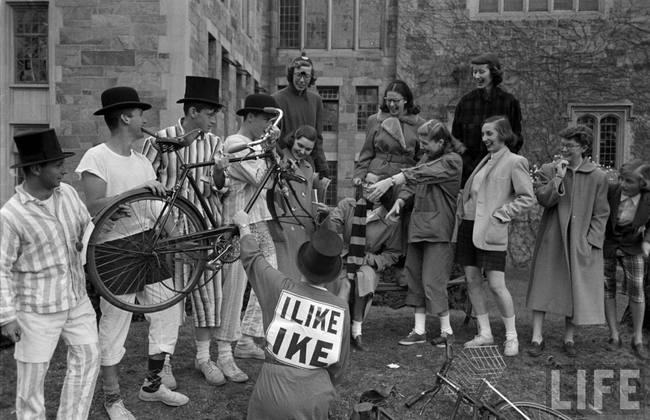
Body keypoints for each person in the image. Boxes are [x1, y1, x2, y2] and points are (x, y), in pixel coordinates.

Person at [77, 86, 188, 420]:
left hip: (148, 245)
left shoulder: (141, 161)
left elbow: (155, 208)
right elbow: (95, 207)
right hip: (114, 249)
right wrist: (136, 191)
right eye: (140, 114)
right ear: (125, 117)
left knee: (168, 313)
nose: (144, 119)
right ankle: (112, 398)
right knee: (115, 323)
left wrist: (180, 240)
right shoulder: (96, 158)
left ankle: (152, 386)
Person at [1, 129, 100, 419]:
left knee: (88, 359)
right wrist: (6, 316)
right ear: (35, 168)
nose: (64, 170)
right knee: (31, 383)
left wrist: (96, 229)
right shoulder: (11, 215)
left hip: (76, 299)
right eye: (57, 165)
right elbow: (1, 268)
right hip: (36, 310)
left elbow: (85, 227)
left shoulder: (67, 194)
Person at [142, 75, 230, 385]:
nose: (214, 119)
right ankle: (163, 362)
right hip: (171, 230)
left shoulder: (215, 143)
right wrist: (163, 226)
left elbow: (220, 189)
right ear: (193, 111)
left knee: (210, 296)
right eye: (210, 113)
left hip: (205, 228)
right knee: (170, 300)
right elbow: (146, 183)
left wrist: (219, 174)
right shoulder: (162, 138)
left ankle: (203, 358)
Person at [232, 209, 350, 420]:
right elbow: (339, 368)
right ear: (333, 273)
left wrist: (243, 226)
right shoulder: (341, 309)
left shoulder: (279, 288)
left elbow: (252, 258)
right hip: (316, 397)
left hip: (270, 395)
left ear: (302, 264)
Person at [369, 120, 464, 347]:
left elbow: (422, 174)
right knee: (414, 278)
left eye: (426, 143)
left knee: (434, 280)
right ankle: (419, 331)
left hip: (439, 231)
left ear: (441, 141)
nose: (422, 148)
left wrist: (392, 180)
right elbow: (413, 182)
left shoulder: (452, 161)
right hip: (418, 228)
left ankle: (447, 332)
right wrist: (399, 202)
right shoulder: (426, 159)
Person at [214, 93, 282, 383]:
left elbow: (270, 174)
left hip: (257, 219)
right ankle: (224, 352)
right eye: (265, 120)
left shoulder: (255, 145)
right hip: (237, 222)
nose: (268, 126)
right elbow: (261, 177)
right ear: (250, 117)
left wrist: (269, 148)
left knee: (267, 278)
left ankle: (246, 338)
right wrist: (268, 147)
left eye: (271, 121)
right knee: (235, 287)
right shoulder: (235, 144)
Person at [526, 125, 609, 358]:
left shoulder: (598, 177)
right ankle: (536, 337)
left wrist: (591, 242)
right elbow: (544, 200)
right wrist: (558, 178)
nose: (564, 149)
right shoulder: (548, 170)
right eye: (562, 144)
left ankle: (569, 338)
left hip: (580, 241)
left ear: (583, 147)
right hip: (552, 237)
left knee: (576, 289)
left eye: (569, 146)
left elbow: (601, 213)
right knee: (543, 284)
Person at [456, 116, 535, 357]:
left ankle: (512, 336)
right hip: (469, 226)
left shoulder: (515, 161)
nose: (485, 139)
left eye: (489, 134)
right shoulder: (485, 161)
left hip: (491, 229)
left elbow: (527, 197)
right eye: (483, 134)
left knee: (497, 284)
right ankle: (485, 333)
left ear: (503, 133)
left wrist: (503, 214)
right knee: (471, 280)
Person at [324, 182, 403, 351]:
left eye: (373, 185)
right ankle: (337, 330)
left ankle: (355, 331)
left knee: (362, 277)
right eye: (366, 182)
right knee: (344, 281)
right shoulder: (348, 204)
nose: (367, 187)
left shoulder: (391, 219)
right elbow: (333, 222)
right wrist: (341, 244)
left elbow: (393, 253)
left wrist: (372, 259)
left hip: (367, 263)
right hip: (343, 256)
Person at [451, 54, 523, 187]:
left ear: (493, 73)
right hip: (469, 173)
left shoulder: (509, 102)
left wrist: (502, 162)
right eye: (474, 72)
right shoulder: (465, 102)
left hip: (500, 172)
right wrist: (467, 164)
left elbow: (516, 139)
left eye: (481, 72)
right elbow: (456, 139)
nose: (477, 76)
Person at [603, 160, 650, 360]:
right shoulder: (611, 191)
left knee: (637, 290)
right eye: (621, 179)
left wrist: (647, 241)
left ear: (643, 182)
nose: (623, 183)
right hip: (610, 244)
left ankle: (637, 338)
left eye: (629, 181)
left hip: (634, 246)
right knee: (607, 288)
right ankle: (614, 335)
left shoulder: (648, 199)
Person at [271, 125, 327, 281]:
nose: (302, 151)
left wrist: (319, 214)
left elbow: (307, 201)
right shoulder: (278, 160)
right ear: (292, 140)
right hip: (285, 227)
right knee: (285, 279)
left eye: (308, 149)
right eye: (300, 145)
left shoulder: (308, 168)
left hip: (304, 230)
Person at [353, 80, 426, 186]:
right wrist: (359, 175)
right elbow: (367, 153)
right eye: (388, 100)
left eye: (395, 100)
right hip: (376, 176)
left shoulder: (420, 124)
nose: (391, 104)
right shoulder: (374, 121)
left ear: (405, 100)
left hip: (404, 179)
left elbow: (422, 158)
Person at [273, 53, 330, 180]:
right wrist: (283, 160)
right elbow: (272, 138)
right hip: (284, 164)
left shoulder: (315, 100)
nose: (302, 80)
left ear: (311, 78)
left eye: (307, 76)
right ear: (292, 74)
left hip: (307, 165)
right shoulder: (277, 99)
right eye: (299, 75)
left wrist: (322, 165)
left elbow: (318, 138)